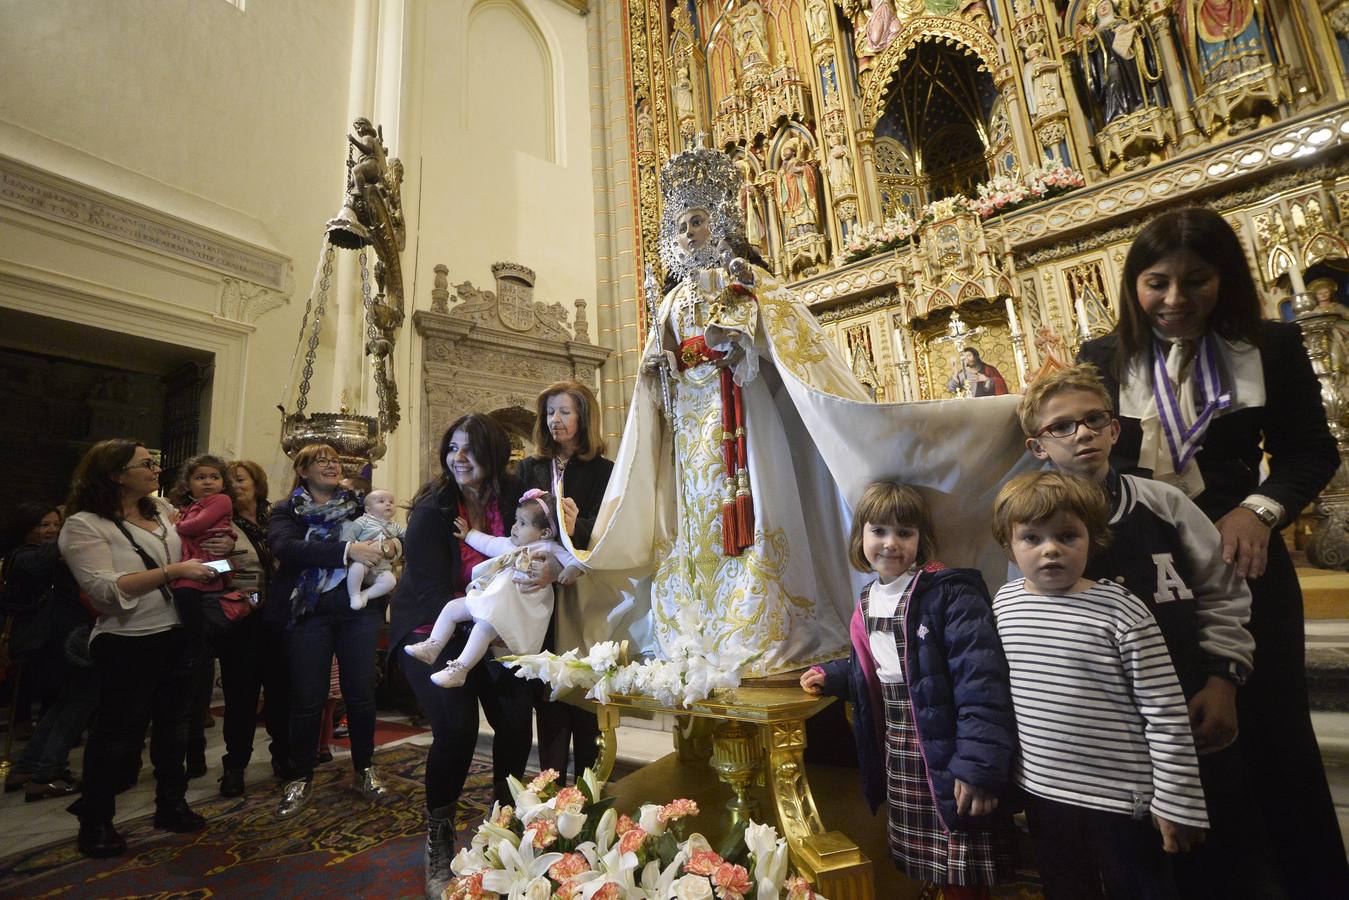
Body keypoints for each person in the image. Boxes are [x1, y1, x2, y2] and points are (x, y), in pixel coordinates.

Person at [1078, 206, 1348, 895]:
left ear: (1224, 279)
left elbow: (1309, 450)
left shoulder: (1271, 345)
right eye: (1155, 283)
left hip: (1242, 559)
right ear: (1132, 286)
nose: (1174, 301)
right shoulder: (1103, 359)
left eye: (1196, 281)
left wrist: (1259, 509)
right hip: (1147, 571)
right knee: (1171, 734)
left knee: (1270, 739)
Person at [1018, 364, 1287, 896]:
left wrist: (1223, 679)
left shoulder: (1163, 503)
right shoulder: (1032, 529)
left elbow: (1222, 591)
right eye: (1063, 426)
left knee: (1213, 866)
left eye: (1095, 420)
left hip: (1188, 713)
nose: (1083, 433)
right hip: (1106, 749)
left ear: (1115, 429)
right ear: (1038, 446)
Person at [990, 471, 1208, 898]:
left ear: (1092, 538)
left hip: (1121, 802)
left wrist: (1176, 800)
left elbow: (1164, 710)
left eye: (1067, 536)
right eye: (1031, 538)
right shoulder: (1004, 603)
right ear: (1009, 547)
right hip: (1043, 794)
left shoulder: (1120, 610)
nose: (1050, 549)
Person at [801, 482, 1016, 897]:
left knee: (960, 852)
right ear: (860, 536)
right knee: (930, 857)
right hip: (900, 741)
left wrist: (978, 766)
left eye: (904, 532)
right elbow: (881, 666)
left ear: (923, 539)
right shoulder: (867, 600)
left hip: (948, 741)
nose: (890, 543)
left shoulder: (948, 593)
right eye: (878, 530)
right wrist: (835, 675)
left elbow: (980, 682)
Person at [392, 414, 560, 900]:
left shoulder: (517, 498)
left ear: (493, 454)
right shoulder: (433, 509)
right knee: (458, 730)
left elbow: (554, 539)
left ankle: (503, 830)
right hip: (436, 630)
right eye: (452, 448)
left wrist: (549, 566)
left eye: (468, 449)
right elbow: (425, 590)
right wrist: (480, 623)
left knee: (513, 726)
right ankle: (439, 840)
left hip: (498, 628)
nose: (457, 458)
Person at [57, 440, 217, 858]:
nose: (157, 470)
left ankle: (171, 804)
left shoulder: (163, 512)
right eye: (146, 464)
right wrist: (172, 571)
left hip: (178, 632)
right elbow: (103, 589)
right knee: (116, 735)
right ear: (115, 474)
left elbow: (193, 558)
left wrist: (213, 558)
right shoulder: (85, 525)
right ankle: (96, 821)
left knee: (175, 727)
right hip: (127, 639)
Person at [267, 443, 394, 818]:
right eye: (320, 460)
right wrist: (347, 551)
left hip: (357, 611)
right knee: (307, 697)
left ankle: (364, 768)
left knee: (361, 692)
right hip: (309, 610)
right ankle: (300, 775)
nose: (330, 465)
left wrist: (391, 547)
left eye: (335, 460)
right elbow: (285, 547)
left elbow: (389, 534)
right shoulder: (287, 510)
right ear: (302, 471)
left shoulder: (359, 505)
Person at [515, 380, 614, 783]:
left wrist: (579, 524)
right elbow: (515, 522)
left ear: (584, 417)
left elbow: (611, 532)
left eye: (565, 412)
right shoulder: (529, 468)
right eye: (550, 412)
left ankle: (591, 796)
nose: (555, 419)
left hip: (582, 590)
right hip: (538, 590)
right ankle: (549, 791)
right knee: (548, 694)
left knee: (583, 695)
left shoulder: (604, 471)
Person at [404, 490, 580, 688]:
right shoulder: (509, 545)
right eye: (515, 520)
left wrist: (570, 570)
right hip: (491, 600)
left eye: (522, 523)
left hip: (516, 609)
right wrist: (469, 534)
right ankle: (433, 645)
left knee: (484, 627)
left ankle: (460, 669)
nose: (514, 527)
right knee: (452, 608)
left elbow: (577, 560)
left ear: (545, 533)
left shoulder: (547, 548)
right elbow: (489, 543)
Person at [1, 502, 95, 803]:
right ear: (26, 528)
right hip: (51, 641)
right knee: (79, 700)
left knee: (64, 702)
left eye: (56, 524)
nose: (52, 530)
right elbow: (45, 562)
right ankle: (46, 774)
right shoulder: (22, 557)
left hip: (59, 639)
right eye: (44, 525)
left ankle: (29, 767)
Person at [213, 459, 290, 798]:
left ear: (257, 483)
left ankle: (283, 757)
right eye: (228, 481)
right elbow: (205, 564)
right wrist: (229, 567)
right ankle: (235, 766)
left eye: (240, 479)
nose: (234, 485)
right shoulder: (219, 523)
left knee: (282, 695)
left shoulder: (278, 518)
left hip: (281, 619)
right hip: (244, 621)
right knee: (241, 697)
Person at [342, 489, 405, 610]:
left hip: (382, 567)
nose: (388, 504)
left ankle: (364, 595)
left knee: (390, 581)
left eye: (391, 502)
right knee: (356, 569)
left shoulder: (394, 525)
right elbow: (348, 537)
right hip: (363, 561)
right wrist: (354, 547)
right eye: (381, 501)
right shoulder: (363, 521)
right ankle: (354, 595)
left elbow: (408, 536)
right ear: (368, 510)